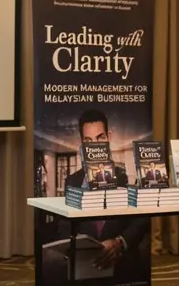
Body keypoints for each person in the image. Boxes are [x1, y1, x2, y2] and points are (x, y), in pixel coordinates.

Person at [61, 106, 146, 272]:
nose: (95, 146)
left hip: (124, 265)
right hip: (84, 264)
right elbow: (65, 226)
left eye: (100, 138)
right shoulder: (72, 181)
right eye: (89, 141)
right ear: (82, 143)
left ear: (109, 137)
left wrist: (120, 242)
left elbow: (142, 218)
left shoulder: (128, 175)